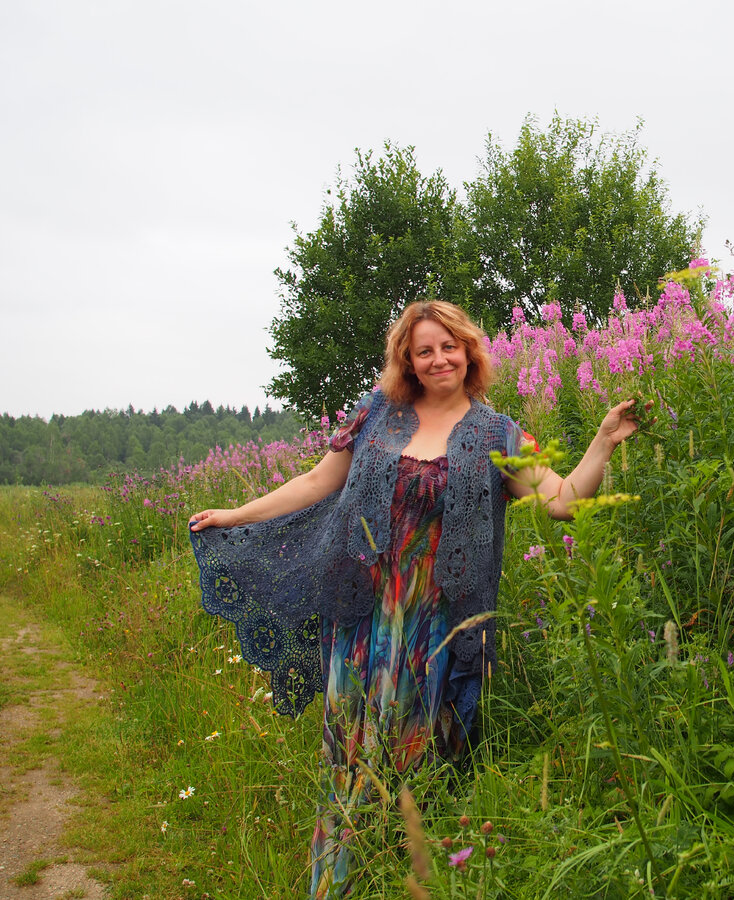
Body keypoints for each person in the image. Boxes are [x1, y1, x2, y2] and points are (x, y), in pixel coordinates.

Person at [188, 300, 641, 898]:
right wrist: (235, 514)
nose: (438, 359)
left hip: (440, 628)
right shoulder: (377, 415)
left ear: (469, 351)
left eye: (448, 346)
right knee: (351, 753)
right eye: (423, 350)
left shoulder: (497, 433)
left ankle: (412, 878)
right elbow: (319, 481)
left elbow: (561, 500)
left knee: (423, 757)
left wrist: (603, 443)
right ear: (408, 359)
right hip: (361, 620)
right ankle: (336, 883)